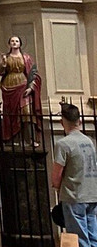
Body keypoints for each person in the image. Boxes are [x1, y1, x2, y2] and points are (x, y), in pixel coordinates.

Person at [53, 104, 97, 243]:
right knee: (93, 238)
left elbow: (57, 174)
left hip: (73, 196)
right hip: (91, 194)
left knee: (79, 239)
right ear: (80, 121)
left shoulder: (63, 144)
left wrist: (56, 187)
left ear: (62, 122)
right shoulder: (89, 142)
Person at [0, 34, 41, 144]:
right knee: (12, 113)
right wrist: (3, 63)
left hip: (23, 85)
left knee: (26, 112)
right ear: (9, 44)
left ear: (20, 44)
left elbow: (33, 73)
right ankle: (14, 139)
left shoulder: (26, 58)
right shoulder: (6, 57)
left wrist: (31, 88)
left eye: (16, 41)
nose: (14, 43)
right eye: (12, 41)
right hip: (9, 87)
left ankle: (29, 139)